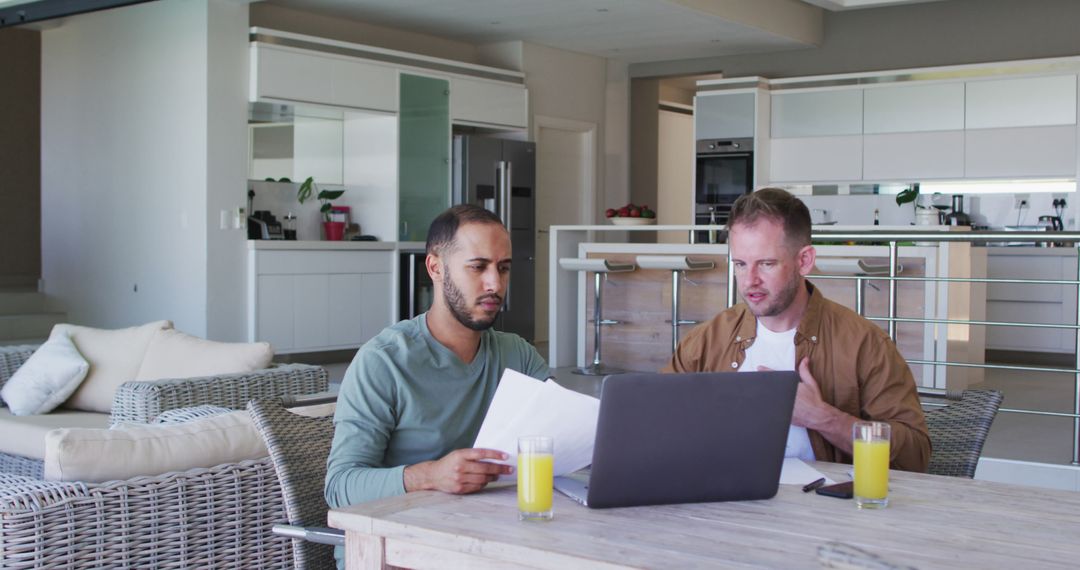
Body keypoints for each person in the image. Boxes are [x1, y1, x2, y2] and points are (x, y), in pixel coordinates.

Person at [664, 188, 930, 472]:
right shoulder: (707, 340)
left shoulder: (865, 344)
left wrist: (822, 418)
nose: (749, 281)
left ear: (804, 261)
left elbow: (914, 455)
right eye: (740, 264)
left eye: (766, 264)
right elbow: (658, 425)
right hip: (722, 503)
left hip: (822, 510)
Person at [325, 204, 549, 513]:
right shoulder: (383, 362)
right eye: (478, 267)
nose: (495, 284)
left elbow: (561, 440)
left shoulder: (519, 356)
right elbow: (339, 487)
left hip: (485, 531)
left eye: (504, 267)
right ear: (435, 268)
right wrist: (430, 475)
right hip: (395, 543)